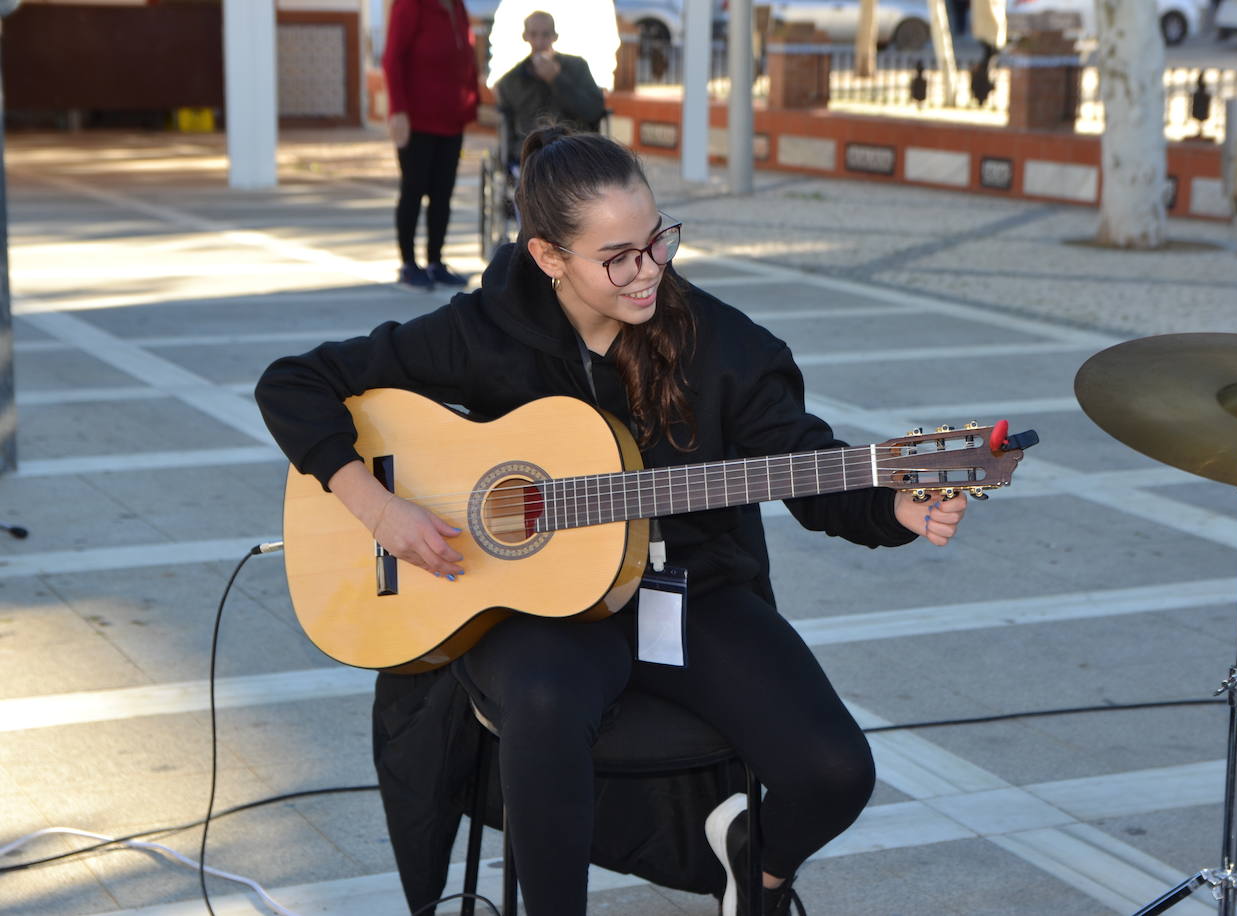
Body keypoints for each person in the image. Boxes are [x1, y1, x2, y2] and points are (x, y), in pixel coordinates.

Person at [255, 128, 969, 916]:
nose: (649, 271)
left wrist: (891, 503)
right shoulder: (484, 331)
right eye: (618, 256)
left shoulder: (719, 343)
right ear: (549, 258)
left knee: (835, 770)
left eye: (658, 240)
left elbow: (802, 462)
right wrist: (378, 506)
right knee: (544, 699)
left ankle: (754, 867)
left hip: (684, 588)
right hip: (531, 606)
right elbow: (295, 382)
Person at [382, 0, 479, 292]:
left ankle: (435, 261)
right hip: (417, 120)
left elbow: (466, 56)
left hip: (451, 119)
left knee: (442, 193)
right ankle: (409, 264)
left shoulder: (458, 7)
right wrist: (398, 111)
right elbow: (392, 59)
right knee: (413, 191)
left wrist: (471, 103)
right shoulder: (411, 5)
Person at [494, 10, 606, 161]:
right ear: (525, 36)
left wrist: (557, 79)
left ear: (555, 37)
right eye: (534, 34)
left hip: (573, 152)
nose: (539, 42)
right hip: (532, 155)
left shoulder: (577, 67)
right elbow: (507, 129)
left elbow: (593, 111)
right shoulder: (511, 80)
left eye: (545, 34)